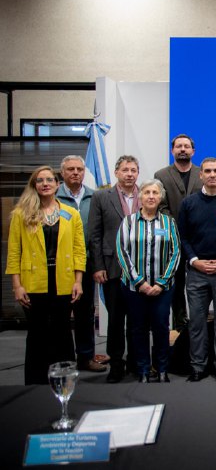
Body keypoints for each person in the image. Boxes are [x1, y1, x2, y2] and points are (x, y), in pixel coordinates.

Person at [6, 166, 86, 385]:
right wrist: (17, 285)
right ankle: (35, 382)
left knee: (62, 331)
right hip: (33, 282)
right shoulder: (21, 214)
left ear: (57, 185)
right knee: (37, 333)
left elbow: (79, 251)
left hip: (64, 280)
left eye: (49, 180)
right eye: (40, 180)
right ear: (34, 185)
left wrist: (78, 281)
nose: (45, 183)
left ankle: (65, 382)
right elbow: (14, 252)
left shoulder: (71, 214)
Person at [177, 158, 216, 382]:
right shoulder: (189, 203)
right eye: (207, 171)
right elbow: (183, 237)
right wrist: (194, 260)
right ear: (200, 175)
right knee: (197, 323)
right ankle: (198, 367)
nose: (212, 175)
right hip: (196, 271)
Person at [116, 179, 180, 383]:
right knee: (138, 328)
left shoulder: (169, 223)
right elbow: (121, 252)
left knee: (161, 328)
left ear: (160, 197)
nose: (151, 196)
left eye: (155, 193)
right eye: (147, 192)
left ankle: (162, 369)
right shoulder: (128, 222)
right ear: (140, 197)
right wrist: (140, 282)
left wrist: (161, 282)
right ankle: (143, 369)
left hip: (163, 288)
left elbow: (176, 252)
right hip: (135, 289)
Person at [88, 155, 141, 383]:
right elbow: (95, 235)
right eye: (125, 170)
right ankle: (117, 365)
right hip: (112, 269)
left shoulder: (146, 194)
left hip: (140, 270)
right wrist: (98, 266)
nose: (129, 174)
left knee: (138, 320)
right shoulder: (101, 197)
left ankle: (137, 362)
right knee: (116, 320)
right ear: (116, 172)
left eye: (133, 170)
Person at [55, 155, 106, 372]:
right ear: (62, 173)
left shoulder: (94, 197)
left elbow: (97, 233)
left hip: (86, 264)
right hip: (59, 266)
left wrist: (96, 265)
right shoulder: (52, 197)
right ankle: (63, 358)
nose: (75, 172)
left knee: (85, 314)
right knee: (60, 315)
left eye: (79, 169)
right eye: (70, 169)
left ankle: (86, 357)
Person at [154, 134, 202, 332]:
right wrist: (177, 227)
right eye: (179, 146)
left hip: (199, 239)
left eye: (186, 146)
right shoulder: (161, 175)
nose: (183, 149)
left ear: (193, 150)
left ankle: (198, 323)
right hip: (172, 239)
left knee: (198, 284)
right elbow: (161, 206)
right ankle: (180, 324)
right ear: (172, 150)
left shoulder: (203, 172)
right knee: (176, 283)